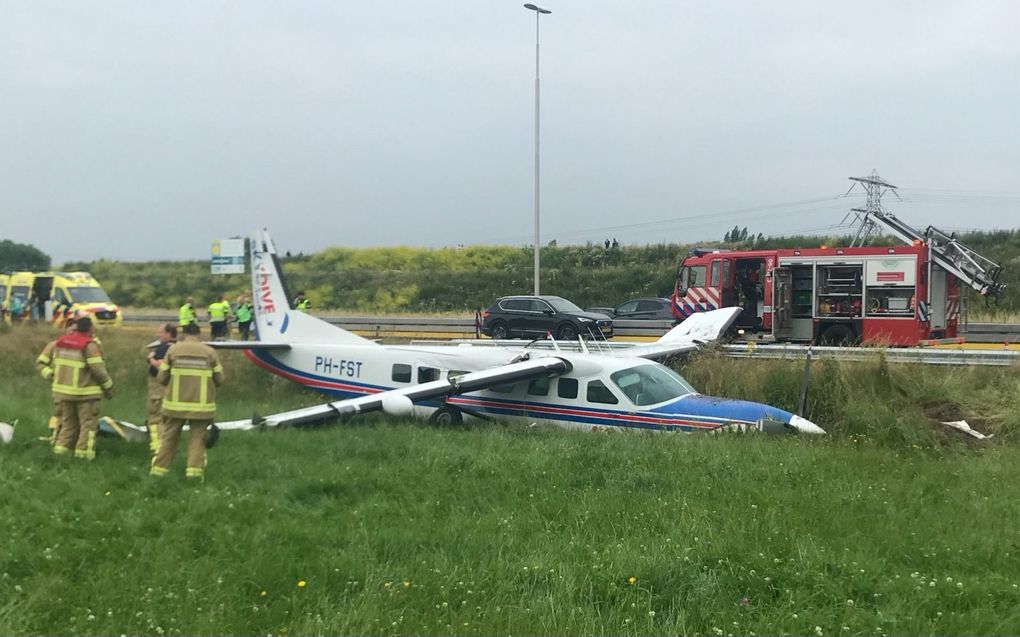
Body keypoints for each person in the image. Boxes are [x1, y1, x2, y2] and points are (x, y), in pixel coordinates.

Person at [151, 322, 224, 479]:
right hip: (201, 407)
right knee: (197, 440)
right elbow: (220, 379)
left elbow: (161, 377)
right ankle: (193, 475)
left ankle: (158, 472)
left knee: (168, 439)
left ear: (183, 334)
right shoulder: (210, 352)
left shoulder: (173, 350)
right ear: (199, 334)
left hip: (174, 406)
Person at [51, 317, 113, 460]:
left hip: (63, 392)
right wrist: (108, 387)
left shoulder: (62, 342)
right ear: (90, 328)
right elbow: (98, 370)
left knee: (68, 425)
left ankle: (59, 454)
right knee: (88, 426)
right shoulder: (89, 345)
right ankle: (83, 457)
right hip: (85, 394)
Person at [35, 318, 78, 442]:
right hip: (60, 389)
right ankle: (57, 439)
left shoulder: (84, 346)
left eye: (77, 330)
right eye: (72, 330)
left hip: (80, 390)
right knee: (62, 416)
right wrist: (50, 374)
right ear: (66, 329)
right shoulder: (54, 345)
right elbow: (40, 363)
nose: (74, 333)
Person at [144, 323, 177, 453]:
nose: (158, 335)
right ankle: (168, 446)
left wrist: (151, 358)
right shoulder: (177, 348)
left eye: (161, 332)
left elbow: (161, 365)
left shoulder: (165, 348)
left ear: (169, 334)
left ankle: (158, 447)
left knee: (155, 417)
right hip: (171, 386)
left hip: (158, 386)